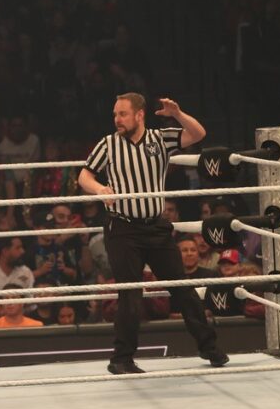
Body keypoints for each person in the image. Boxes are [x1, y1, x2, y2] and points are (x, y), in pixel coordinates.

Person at [78, 93, 228, 374]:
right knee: (131, 293)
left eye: (122, 114)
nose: (117, 120)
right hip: (123, 228)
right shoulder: (108, 144)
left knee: (181, 287)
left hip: (156, 227)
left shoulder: (160, 139)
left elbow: (198, 133)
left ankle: (210, 348)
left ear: (139, 115)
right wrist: (99, 189)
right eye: (114, 114)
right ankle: (121, 359)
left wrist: (178, 114)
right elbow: (84, 175)